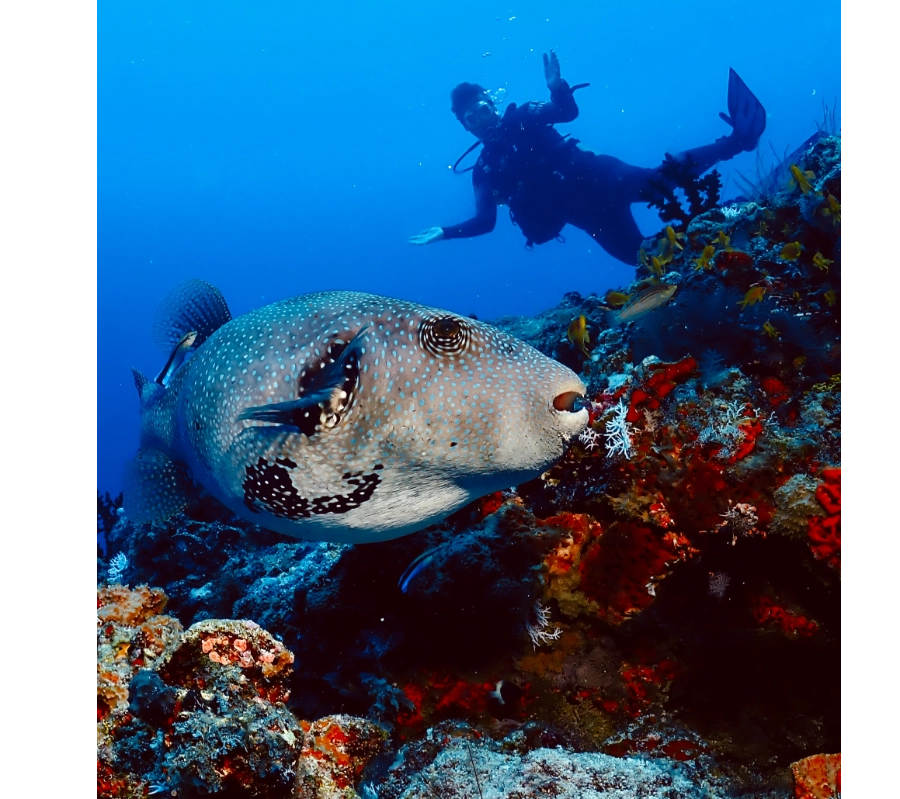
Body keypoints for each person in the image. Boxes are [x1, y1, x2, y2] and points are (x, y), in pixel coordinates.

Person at [409, 51, 766, 265]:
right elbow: (485, 222)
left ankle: (737, 141)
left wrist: (556, 88)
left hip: (601, 175)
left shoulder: (522, 117)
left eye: (483, 109)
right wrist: (445, 232)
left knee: (661, 180)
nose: (480, 119)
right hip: (586, 215)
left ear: (492, 104)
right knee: (640, 258)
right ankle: (718, 228)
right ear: (465, 126)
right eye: (471, 118)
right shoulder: (485, 170)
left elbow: (566, 113)